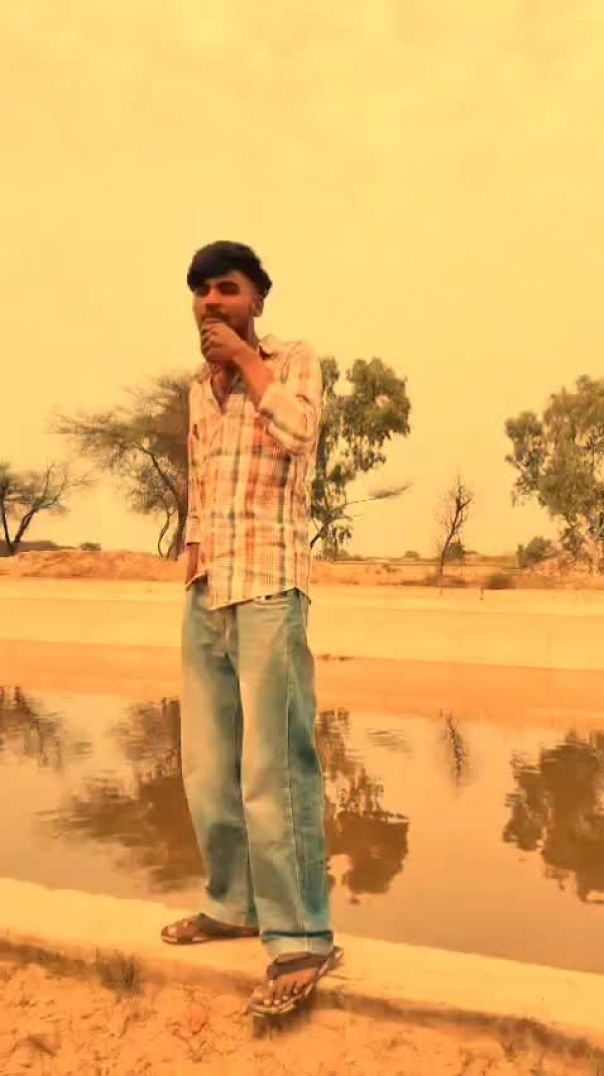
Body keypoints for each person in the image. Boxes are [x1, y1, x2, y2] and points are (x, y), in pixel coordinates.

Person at [161, 241, 341, 1018]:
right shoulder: (198, 390)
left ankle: (301, 935)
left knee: (276, 767)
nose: (210, 302)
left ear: (257, 299)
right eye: (201, 291)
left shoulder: (293, 361)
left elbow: (301, 433)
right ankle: (232, 904)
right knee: (207, 767)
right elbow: (201, 481)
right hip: (210, 591)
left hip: (269, 586)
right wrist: (192, 557)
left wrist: (245, 361)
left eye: (226, 289)